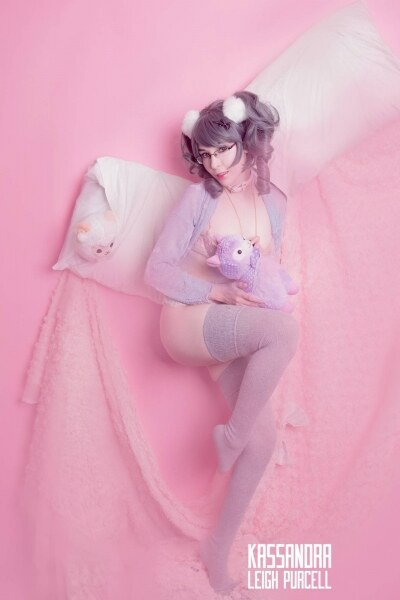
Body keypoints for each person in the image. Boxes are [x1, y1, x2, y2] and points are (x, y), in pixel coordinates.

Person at [144, 90, 299, 593]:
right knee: (286, 332)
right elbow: (156, 270)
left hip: (233, 326)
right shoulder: (199, 199)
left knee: (264, 441)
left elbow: (266, 271)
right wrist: (215, 291)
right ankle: (230, 438)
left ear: (246, 142)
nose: (214, 165)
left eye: (223, 150)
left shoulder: (274, 203)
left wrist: (258, 297)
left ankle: (217, 547)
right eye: (205, 154)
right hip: (188, 319)